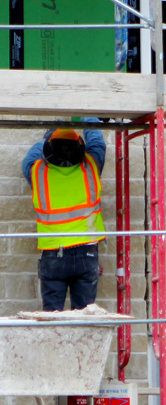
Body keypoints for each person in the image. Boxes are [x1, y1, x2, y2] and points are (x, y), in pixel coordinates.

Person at [21, 120, 106, 310]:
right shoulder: (92, 166)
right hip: (87, 252)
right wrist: (84, 117)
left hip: (53, 254)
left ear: (49, 149)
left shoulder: (37, 172)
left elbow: (30, 158)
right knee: (85, 316)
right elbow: (97, 141)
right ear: (80, 149)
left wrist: (48, 136)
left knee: (52, 317)